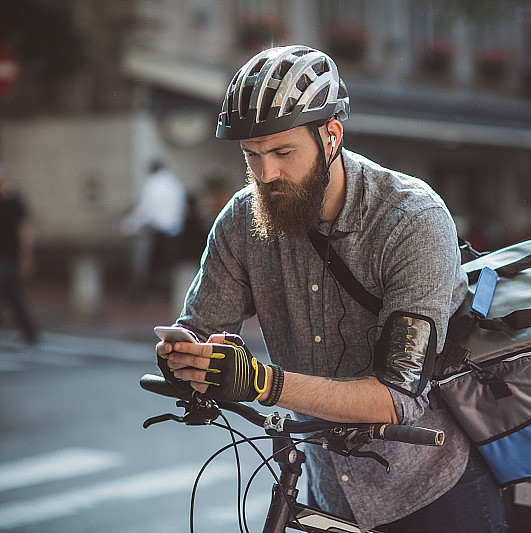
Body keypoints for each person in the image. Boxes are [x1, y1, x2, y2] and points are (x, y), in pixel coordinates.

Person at [155, 45, 508, 532]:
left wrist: (263, 383)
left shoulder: (412, 220)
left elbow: (395, 398)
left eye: (283, 153)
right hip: (323, 488)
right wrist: (185, 359)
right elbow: (201, 328)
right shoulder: (242, 220)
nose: (266, 175)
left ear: (331, 136)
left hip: (430, 489)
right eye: (252, 157)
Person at [120, 160, 187, 296]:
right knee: (170, 267)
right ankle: (169, 295)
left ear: (151, 170)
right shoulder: (174, 182)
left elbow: (146, 209)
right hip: (175, 230)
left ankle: (142, 294)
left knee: (148, 265)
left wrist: (129, 226)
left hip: (158, 231)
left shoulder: (153, 183)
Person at [0, 163, 39, 345]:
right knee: (13, 296)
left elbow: (24, 231)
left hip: (9, 256)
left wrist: (26, 258)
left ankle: (30, 334)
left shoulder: (14, 201)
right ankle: (30, 334)